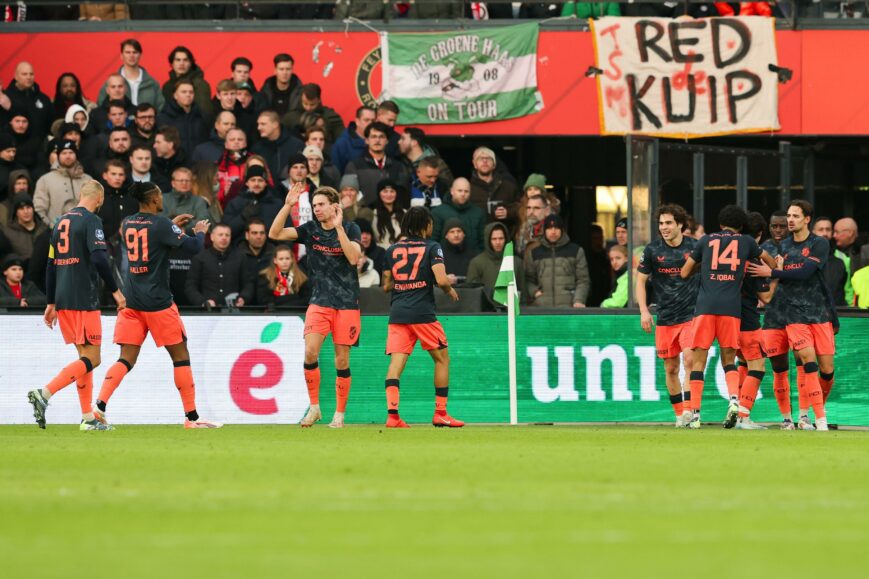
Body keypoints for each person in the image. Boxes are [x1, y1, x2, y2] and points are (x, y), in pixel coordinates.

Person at [94, 181, 221, 428]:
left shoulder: (129, 222)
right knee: (181, 356)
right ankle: (191, 418)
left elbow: (150, 237)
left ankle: (99, 407)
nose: (163, 198)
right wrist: (200, 230)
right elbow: (193, 247)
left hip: (132, 303)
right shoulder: (161, 224)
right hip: (158, 303)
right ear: (153, 200)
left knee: (126, 359)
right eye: (160, 194)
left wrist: (173, 226)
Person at [26, 180, 125, 431]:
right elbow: (100, 258)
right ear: (100, 199)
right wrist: (116, 291)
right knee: (94, 358)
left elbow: (51, 264)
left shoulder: (59, 222)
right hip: (84, 296)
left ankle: (87, 418)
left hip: (63, 297)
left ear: (81, 195)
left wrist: (51, 302)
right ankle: (45, 393)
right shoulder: (91, 221)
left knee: (84, 358)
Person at [269, 185, 362, 428]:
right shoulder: (310, 230)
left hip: (346, 303)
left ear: (335, 206)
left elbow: (353, 258)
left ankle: (339, 415)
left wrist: (340, 227)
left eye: (321, 205)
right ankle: (314, 407)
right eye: (314, 206)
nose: (317, 209)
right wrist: (288, 205)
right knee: (310, 352)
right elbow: (275, 233)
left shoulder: (352, 228)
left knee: (341, 361)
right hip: (319, 301)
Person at [681, 204, 776, 430]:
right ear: (741, 225)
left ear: (720, 222)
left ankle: (694, 414)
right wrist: (776, 268)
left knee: (698, 362)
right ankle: (734, 400)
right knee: (728, 360)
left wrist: (704, 267)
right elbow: (770, 263)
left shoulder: (705, 240)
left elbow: (685, 272)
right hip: (731, 309)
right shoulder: (747, 242)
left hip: (705, 307)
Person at [748, 200, 836, 432]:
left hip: (818, 312)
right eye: (789, 215)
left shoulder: (819, 244)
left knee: (827, 371)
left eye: (795, 216)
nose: (790, 220)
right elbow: (770, 276)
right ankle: (804, 419)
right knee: (801, 363)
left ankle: (813, 410)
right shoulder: (781, 246)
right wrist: (767, 279)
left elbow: (806, 272)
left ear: (807, 219)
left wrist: (774, 271)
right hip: (789, 314)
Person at [381, 206, 463, 428]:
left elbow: (386, 285)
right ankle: (440, 413)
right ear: (425, 225)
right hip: (423, 314)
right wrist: (449, 290)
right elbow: (442, 279)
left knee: (395, 366)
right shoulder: (433, 247)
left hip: (398, 314)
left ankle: (393, 416)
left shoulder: (391, 250)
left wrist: (403, 282)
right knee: (442, 360)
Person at [636, 204, 698, 427]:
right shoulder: (652, 250)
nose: (664, 227)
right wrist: (644, 311)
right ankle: (680, 414)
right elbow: (641, 281)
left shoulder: (695, 247)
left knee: (691, 360)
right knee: (671, 368)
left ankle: (691, 411)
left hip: (691, 315)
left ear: (680, 224)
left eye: (669, 223)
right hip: (665, 318)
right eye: (661, 223)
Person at [755, 209, 799, 429]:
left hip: (800, 315)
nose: (779, 230)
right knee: (779, 368)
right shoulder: (762, 250)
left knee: (804, 366)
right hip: (773, 317)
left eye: (783, 225)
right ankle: (786, 418)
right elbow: (751, 277)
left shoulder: (798, 248)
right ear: (768, 228)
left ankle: (806, 416)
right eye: (775, 226)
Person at [732, 211, 775, 430]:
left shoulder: (727, 255)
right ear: (758, 235)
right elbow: (766, 297)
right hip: (748, 321)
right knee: (757, 367)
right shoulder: (753, 260)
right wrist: (776, 275)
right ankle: (743, 416)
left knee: (742, 363)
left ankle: (736, 409)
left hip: (728, 321)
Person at [526, 214, 590, 308]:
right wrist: (535, 292)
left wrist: (579, 300)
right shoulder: (534, 253)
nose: (553, 231)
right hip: (542, 308)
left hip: (569, 308)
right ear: (544, 231)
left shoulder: (576, 251)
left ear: (562, 230)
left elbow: (583, 280)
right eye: (549, 228)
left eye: (556, 228)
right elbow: (528, 279)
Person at [185, 223, 253, 309]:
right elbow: (190, 286)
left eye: (227, 235)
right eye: (220, 235)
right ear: (212, 237)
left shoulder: (240, 257)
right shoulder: (200, 258)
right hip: (207, 312)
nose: (224, 238)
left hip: (234, 311)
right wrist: (202, 302)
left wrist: (243, 298)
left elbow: (248, 283)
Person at [344, 122, 411, 207]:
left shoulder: (399, 166)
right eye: (373, 136)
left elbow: (404, 196)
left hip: (393, 216)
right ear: (367, 140)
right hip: (365, 216)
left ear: (387, 141)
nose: (377, 140)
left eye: (381, 137)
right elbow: (348, 196)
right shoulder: (354, 166)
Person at [34, 140, 92, 227]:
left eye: (71, 152)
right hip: (56, 233)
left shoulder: (88, 180)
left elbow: (96, 206)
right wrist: (50, 226)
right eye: (64, 153)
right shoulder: (45, 180)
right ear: (58, 156)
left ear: (76, 155)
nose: (68, 156)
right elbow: (39, 209)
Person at [467, 222, 525, 297]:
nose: (498, 242)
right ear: (488, 240)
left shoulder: (516, 262)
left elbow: (523, 291)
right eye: (494, 239)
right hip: (485, 307)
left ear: (506, 239)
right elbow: (472, 292)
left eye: (501, 238)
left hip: (511, 307)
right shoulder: (477, 263)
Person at [469, 146, 519, 230]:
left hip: (505, 238)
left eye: (489, 158)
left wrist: (508, 212)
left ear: (494, 164)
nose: (485, 161)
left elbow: (521, 207)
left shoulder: (509, 187)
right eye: (480, 158)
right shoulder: (467, 189)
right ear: (474, 164)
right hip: (478, 239)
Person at [431, 177, 485, 251]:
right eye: (460, 191)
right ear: (452, 191)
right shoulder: (437, 212)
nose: (463, 194)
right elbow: (433, 241)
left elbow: (482, 242)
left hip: (473, 258)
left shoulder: (478, 213)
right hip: (446, 259)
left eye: (466, 191)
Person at [157, 79, 207, 158]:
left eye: (191, 92)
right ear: (175, 95)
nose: (188, 95)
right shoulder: (164, 117)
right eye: (184, 92)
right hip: (175, 164)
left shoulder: (201, 116)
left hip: (198, 164)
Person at [250, 110, 304, 182]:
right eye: (258, 124)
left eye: (263, 124)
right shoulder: (256, 149)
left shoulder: (296, 145)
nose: (259, 128)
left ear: (275, 124)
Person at [161, 46, 212, 119]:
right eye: (178, 60)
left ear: (190, 63)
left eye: (185, 60)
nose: (181, 63)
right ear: (172, 64)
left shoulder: (200, 84)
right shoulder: (167, 86)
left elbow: (205, 112)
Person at [5, 62, 53, 139]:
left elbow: (50, 124)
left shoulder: (44, 99)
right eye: (24, 74)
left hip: (39, 146)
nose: (29, 77)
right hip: (12, 145)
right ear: (16, 76)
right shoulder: (6, 98)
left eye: (31, 74)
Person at [256, 244, 310, 310]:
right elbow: (263, 300)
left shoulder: (302, 277)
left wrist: (278, 302)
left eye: (287, 258)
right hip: (273, 315)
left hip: (296, 314)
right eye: (281, 259)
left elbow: (307, 299)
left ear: (292, 259)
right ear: (275, 260)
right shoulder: (265, 276)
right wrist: (293, 297)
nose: (284, 262)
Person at [160, 167, 211, 235]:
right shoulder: (163, 198)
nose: (184, 183)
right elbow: (159, 219)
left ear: (191, 183)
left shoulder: (199, 201)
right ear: (173, 183)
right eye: (181, 180)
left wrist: (185, 230)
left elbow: (203, 221)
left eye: (187, 180)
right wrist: (175, 228)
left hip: (191, 239)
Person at [1, 194, 47, 266]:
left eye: (28, 207)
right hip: (21, 272)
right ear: (16, 212)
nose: (26, 211)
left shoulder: (45, 230)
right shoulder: (8, 232)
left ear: (33, 209)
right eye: (21, 208)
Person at [812, 216, 847, 306]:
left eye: (828, 229)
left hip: (838, 313)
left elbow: (847, 289)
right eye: (821, 229)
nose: (825, 233)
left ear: (832, 233)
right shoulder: (803, 256)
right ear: (813, 232)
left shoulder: (842, 259)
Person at [331, 105, 375, 173]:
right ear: (357, 121)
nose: (370, 124)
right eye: (366, 120)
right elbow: (335, 173)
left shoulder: (380, 141)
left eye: (373, 120)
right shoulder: (342, 144)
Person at [216, 128, 249, 207]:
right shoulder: (218, 165)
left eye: (240, 139)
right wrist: (224, 193)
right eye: (232, 139)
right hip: (226, 207)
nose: (236, 142)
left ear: (245, 143)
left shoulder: (254, 162)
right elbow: (211, 194)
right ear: (226, 144)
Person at [440, 218, 477, 285]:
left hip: (468, 292)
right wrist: (444, 279)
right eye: (452, 232)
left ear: (464, 234)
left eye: (459, 231)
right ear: (446, 235)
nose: (456, 235)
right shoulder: (439, 255)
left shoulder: (473, 255)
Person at [371, 179, 405, 250]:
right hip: (383, 254)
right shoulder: (373, 215)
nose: (389, 195)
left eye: (392, 191)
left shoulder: (405, 213)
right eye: (385, 191)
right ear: (379, 193)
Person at [833, 217, 861, 304]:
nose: (834, 235)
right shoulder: (833, 252)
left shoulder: (863, 254)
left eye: (837, 232)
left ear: (850, 233)